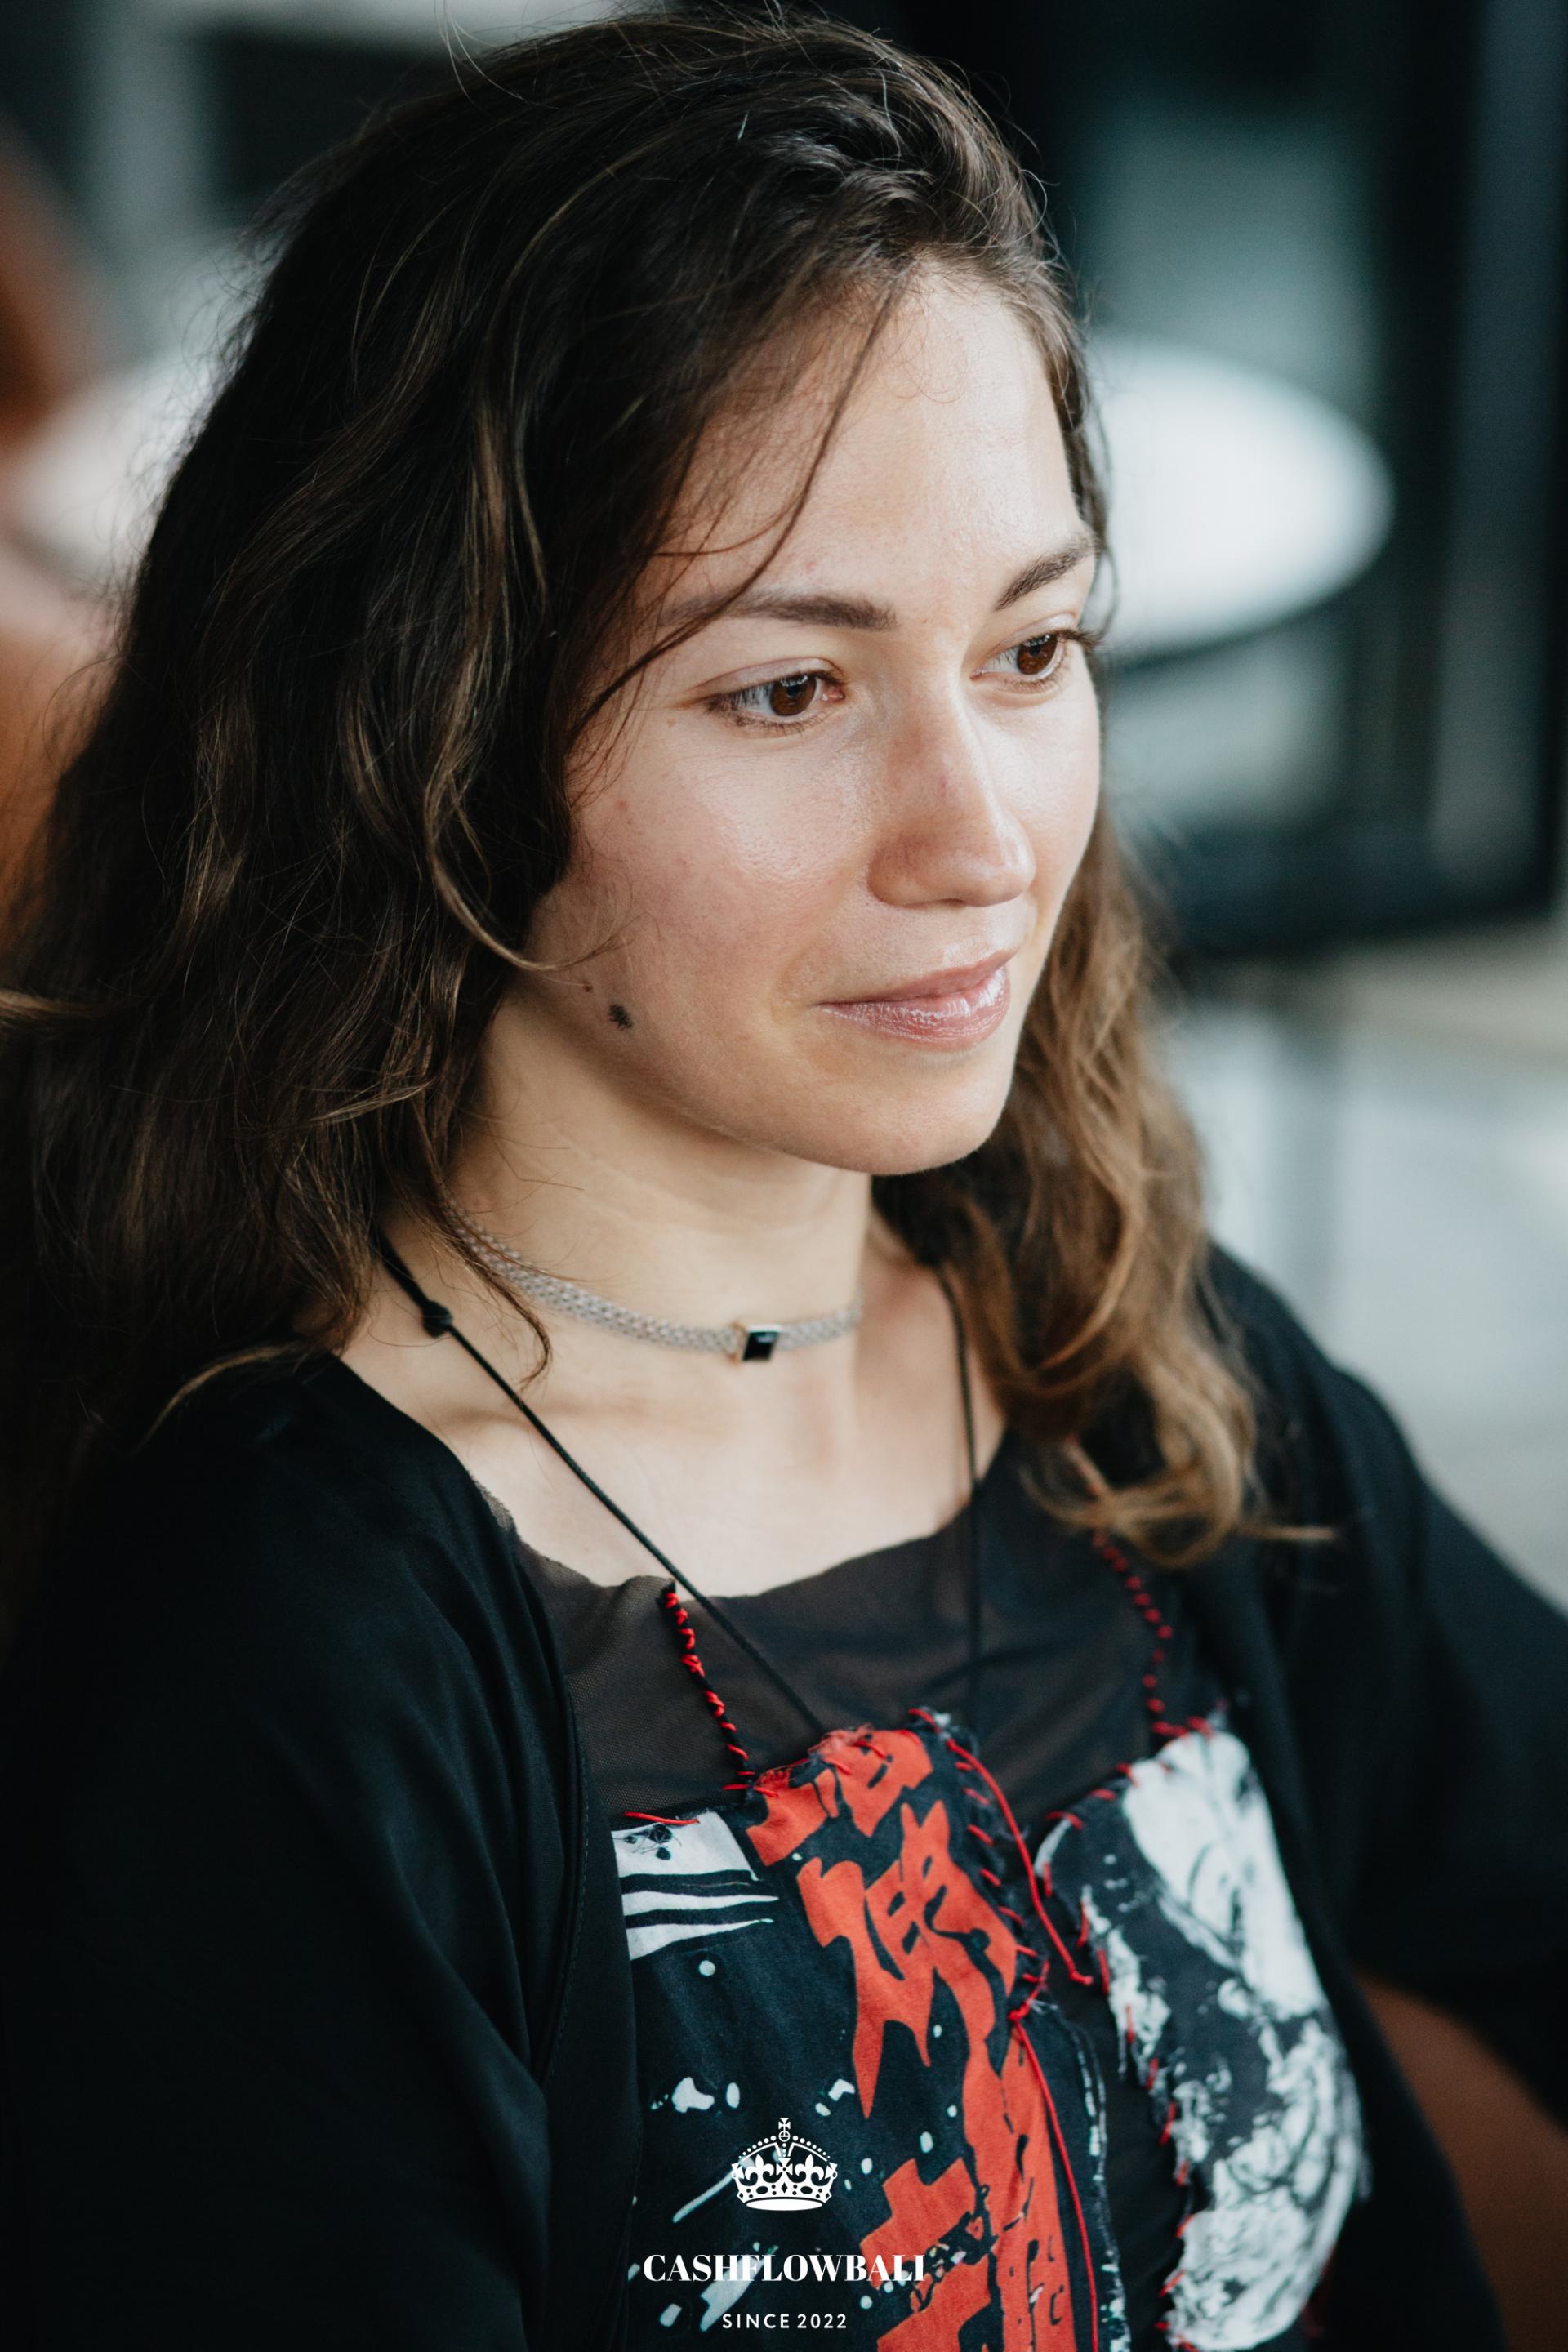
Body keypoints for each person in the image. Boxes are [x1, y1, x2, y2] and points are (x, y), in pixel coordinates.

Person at [0, 12, 1563, 2350]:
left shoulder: (1119, 1350)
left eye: (1031, 648)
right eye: (786, 692)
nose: (984, 839)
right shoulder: (289, 1665)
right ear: (425, 735)